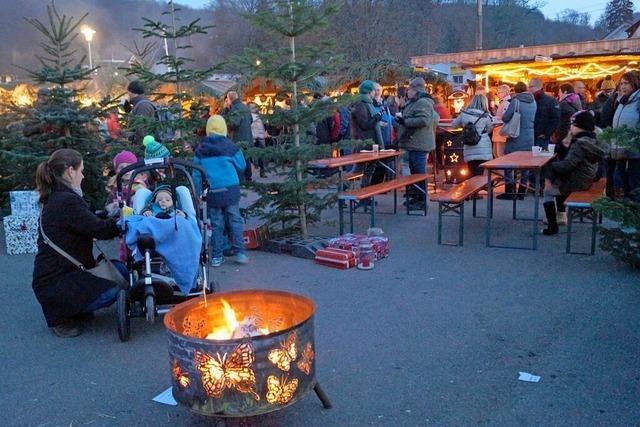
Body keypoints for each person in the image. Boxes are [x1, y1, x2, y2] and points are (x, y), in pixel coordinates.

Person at [32, 149, 122, 337]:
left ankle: (76, 307)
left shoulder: (59, 196)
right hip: (57, 283)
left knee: (120, 270)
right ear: (70, 171)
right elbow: (99, 230)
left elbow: (84, 220)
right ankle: (62, 316)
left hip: (60, 276)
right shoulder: (66, 201)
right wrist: (122, 224)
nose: (82, 176)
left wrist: (108, 214)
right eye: (81, 171)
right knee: (117, 286)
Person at [193, 115, 248, 267]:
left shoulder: (201, 149)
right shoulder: (230, 146)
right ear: (223, 128)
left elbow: (196, 174)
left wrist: (198, 193)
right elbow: (242, 165)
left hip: (213, 191)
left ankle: (217, 256)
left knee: (216, 224)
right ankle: (240, 253)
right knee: (235, 220)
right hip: (230, 189)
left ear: (208, 130)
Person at [541, 111, 605, 235]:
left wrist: (548, 166)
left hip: (578, 182)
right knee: (553, 179)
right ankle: (560, 216)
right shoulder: (591, 140)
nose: (571, 127)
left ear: (580, 126)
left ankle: (552, 227)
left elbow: (566, 166)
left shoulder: (579, 143)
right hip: (586, 178)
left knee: (548, 190)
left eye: (573, 124)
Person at [395, 77, 437, 209]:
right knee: (414, 172)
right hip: (414, 142)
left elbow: (423, 120)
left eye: (409, 89)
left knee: (418, 172)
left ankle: (421, 200)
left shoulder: (422, 102)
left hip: (419, 142)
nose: (407, 92)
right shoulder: (416, 101)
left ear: (414, 90)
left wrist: (405, 121)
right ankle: (416, 197)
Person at [497, 81, 537, 200]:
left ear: (516, 90)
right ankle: (522, 192)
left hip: (516, 135)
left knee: (509, 163)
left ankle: (509, 191)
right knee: (525, 165)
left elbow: (505, 117)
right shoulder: (533, 101)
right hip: (530, 136)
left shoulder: (516, 101)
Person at [611, 70, 640, 201]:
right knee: (625, 185)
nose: (622, 86)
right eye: (621, 83)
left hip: (635, 152)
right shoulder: (622, 101)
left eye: (626, 83)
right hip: (621, 150)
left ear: (635, 83)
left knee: (635, 185)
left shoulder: (638, 101)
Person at [451, 94, 494, 177]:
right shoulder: (485, 116)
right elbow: (489, 129)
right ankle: (485, 188)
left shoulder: (464, 114)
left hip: (469, 147)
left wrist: (464, 126)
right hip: (483, 147)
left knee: (472, 172)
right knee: (482, 173)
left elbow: (454, 125)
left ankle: (474, 188)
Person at [224, 91, 254, 181]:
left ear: (230, 99)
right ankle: (248, 176)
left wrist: (227, 122)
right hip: (248, 136)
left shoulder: (234, 108)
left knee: (239, 158)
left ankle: (241, 178)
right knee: (246, 157)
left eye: (227, 99)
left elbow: (235, 123)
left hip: (238, 137)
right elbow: (251, 120)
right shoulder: (245, 107)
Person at [528, 78, 560, 151]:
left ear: (537, 87)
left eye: (530, 87)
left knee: (541, 158)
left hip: (541, 137)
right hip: (532, 135)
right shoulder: (531, 99)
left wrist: (546, 133)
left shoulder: (550, 100)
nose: (528, 89)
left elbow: (556, 118)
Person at [249, 103, 268, 177]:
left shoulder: (260, 116)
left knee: (261, 154)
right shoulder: (248, 116)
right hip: (253, 136)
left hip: (260, 136)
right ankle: (254, 166)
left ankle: (262, 170)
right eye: (252, 107)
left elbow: (264, 125)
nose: (254, 108)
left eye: (255, 107)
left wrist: (265, 132)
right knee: (252, 154)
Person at [492, 84, 511, 158]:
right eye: (498, 93)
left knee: (500, 155)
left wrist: (494, 119)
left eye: (500, 92)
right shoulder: (503, 102)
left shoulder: (506, 103)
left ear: (506, 92)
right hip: (499, 132)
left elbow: (504, 118)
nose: (498, 94)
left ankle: (501, 170)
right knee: (496, 153)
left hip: (501, 132)